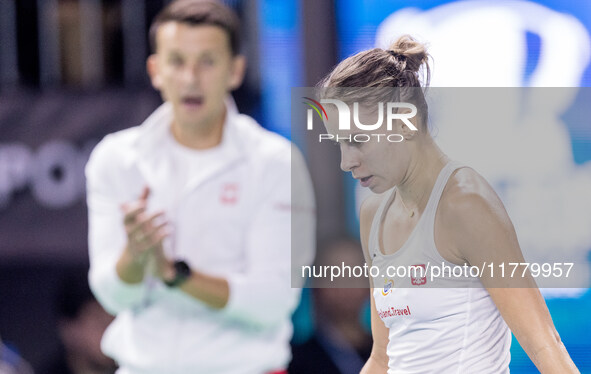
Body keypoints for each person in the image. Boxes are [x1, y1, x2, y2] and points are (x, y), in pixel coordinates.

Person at [317, 35, 579, 373]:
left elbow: (546, 346)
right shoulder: (373, 213)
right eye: (339, 143)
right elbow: (383, 357)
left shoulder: (467, 205)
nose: (345, 162)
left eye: (356, 141)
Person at [84, 1, 315, 373]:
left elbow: (273, 300)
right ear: (155, 71)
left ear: (235, 70)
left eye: (207, 61)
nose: (191, 77)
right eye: (177, 61)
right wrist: (135, 256)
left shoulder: (276, 162)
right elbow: (112, 296)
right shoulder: (115, 157)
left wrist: (174, 274)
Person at [289, 238, 372, 374]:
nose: (345, 286)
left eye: (355, 273)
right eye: (333, 275)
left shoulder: (391, 353)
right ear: (315, 286)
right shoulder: (295, 360)